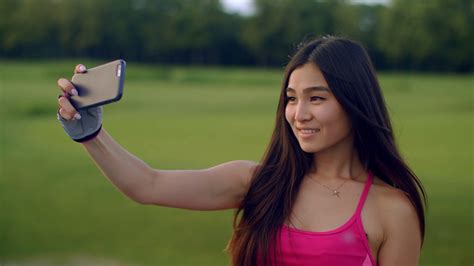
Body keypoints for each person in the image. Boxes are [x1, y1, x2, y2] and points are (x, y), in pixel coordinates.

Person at [56, 36, 427, 266]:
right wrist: (92, 135)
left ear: (354, 102)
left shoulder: (392, 210)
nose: (299, 114)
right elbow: (148, 185)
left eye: (317, 98)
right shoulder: (256, 182)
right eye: (292, 99)